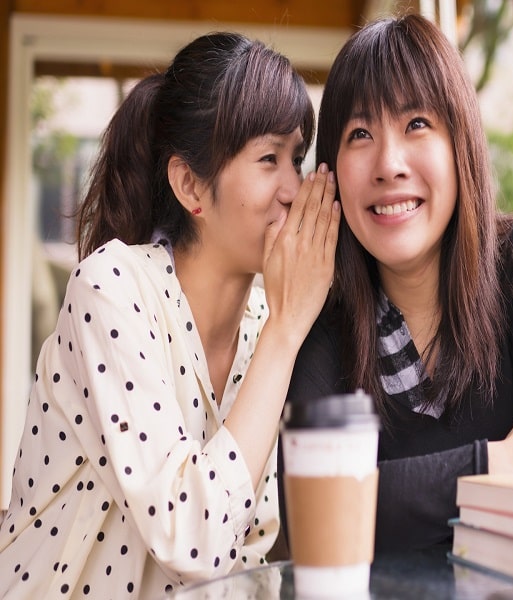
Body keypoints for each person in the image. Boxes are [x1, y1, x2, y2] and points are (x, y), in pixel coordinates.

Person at [0, 31, 339, 597]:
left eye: (296, 158)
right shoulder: (111, 288)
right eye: (267, 159)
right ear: (189, 185)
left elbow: (248, 559)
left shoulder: (266, 319)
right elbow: (195, 541)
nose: (293, 188)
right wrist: (286, 332)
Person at [285, 13, 513, 553]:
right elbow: (311, 520)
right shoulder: (325, 316)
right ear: (331, 172)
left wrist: (382, 495)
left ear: (461, 144)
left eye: (416, 124)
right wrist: (499, 463)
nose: (389, 165)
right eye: (360, 134)